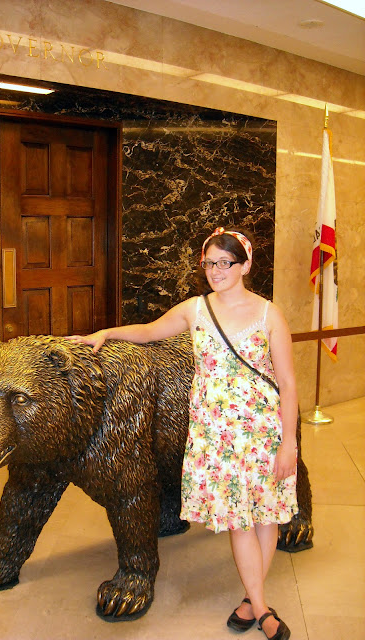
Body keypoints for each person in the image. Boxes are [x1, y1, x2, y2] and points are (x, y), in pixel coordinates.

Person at [65, 226, 298, 640]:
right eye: (209, 263)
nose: (215, 271)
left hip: (262, 431)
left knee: (265, 516)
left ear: (245, 266)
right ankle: (262, 608)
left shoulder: (269, 314)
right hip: (217, 436)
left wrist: (289, 443)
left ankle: (252, 601)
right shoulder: (195, 310)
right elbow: (149, 331)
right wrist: (107, 333)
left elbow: (288, 383)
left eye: (224, 263)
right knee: (239, 521)